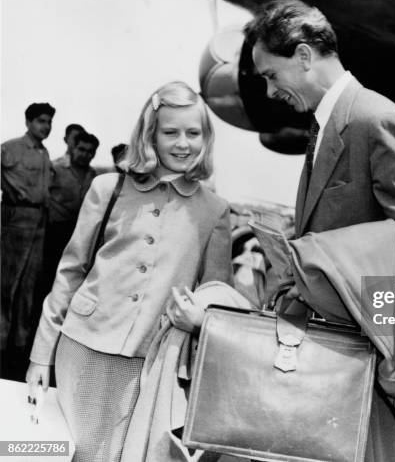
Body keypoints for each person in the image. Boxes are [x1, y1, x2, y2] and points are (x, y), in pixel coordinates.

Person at [245, 0, 395, 461]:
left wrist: (318, 257)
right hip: (340, 349)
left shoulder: (376, 120)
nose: (272, 92)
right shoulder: (328, 125)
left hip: (374, 352)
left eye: (271, 75)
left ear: (302, 56)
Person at [26, 81, 232, 461]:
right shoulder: (107, 189)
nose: (182, 143)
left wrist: (199, 319)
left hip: (151, 362)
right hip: (83, 346)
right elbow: (70, 272)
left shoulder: (215, 211)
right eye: (170, 132)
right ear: (149, 134)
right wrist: (41, 355)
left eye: (193, 132)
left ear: (206, 138)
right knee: (70, 451)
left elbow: (219, 294)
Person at [1, 102, 55, 381]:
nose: (45, 127)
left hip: (39, 222)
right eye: (41, 121)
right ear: (29, 121)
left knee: (28, 285)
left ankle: (19, 343)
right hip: (16, 219)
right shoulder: (9, 148)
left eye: (48, 122)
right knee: (6, 283)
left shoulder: (45, 153)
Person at [40, 131, 100, 299]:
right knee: (48, 278)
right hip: (53, 233)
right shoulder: (55, 168)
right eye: (81, 149)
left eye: (90, 151)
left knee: (71, 280)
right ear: (73, 148)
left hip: (78, 233)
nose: (85, 154)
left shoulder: (93, 175)